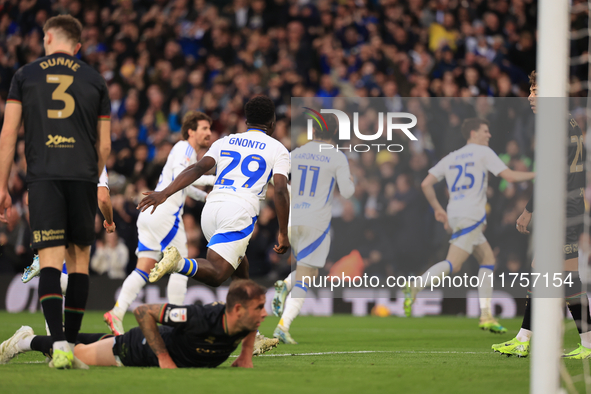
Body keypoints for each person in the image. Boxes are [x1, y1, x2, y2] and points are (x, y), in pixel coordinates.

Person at [137, 95, 289, 355]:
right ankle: (179, 263)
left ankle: (250, 338)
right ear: (272, 123)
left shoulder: (225, 141)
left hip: (212, 209)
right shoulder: (278, 149)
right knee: (219, 274)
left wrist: (164, 192)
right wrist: (283, 232)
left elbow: (197, 170)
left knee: (241, 272)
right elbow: (282, 190)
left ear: (246, 120)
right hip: (239, 211)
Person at [0, 15, 111, 369]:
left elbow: (8, 134)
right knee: (79, 264)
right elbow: (105, 146)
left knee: (50, 261)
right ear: (78, 47)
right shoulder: (95, 80)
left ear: (47, 37)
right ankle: (68, 347)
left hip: (43, 179)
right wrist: (89, 177)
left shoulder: (25, 75)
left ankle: (60, 343)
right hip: (82, 178)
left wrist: (2, 186)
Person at [492, 71, 591, 359]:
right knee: (563, 276)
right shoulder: (568, 119)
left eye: (535, 91)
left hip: (561, 208)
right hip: (571, 205)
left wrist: (527, 210)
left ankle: (525, 339)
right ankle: (583, 341)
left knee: (548, 272)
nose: (530, 97)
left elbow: (551, 174)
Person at [404, 118, 535, 332]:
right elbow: (508, 176)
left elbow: (425, 183)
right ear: (473, 133)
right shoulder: (483, 152)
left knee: (487, 258)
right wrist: (537, 174)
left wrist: (438, 208)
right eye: (485, 131)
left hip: (456, 213)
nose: (489, 135)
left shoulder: (451, 157)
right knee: (453, 264)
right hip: (471, 215)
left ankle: (486, 315)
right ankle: (414, 285)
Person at [103, 111, 215, 336]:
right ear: (191, 131)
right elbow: (181, 175)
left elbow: (185, 184)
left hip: (150, 215)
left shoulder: (183, 150)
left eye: (209, 129)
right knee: (181, 266)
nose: (209, 133)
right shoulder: (185, 148)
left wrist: (205, 196)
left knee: (143, 267)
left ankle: (116, 312)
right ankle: (176, 322)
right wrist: (216, 179)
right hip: (166, 214)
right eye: (204, 128)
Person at [0, 279, 266, 369]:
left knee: (91, 341)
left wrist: (245, 354)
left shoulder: (243, 320)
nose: (263, 315)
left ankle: (51, 334)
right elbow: (143, 311)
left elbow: (250, 326)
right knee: (70, 357)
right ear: (238, 309)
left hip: (137, 343)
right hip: (137, 350)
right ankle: (24, 341)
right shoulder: (199, 317)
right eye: (259, 308)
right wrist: (163, 357)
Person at [271, 114, 355, 344]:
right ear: (334, 132)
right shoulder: (337, 156)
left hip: (292, 221)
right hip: (315, 222)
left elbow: (275, 180)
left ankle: (285, 284)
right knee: (306, 279)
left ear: (314, 131)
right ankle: (283, 324)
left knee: (310, 272)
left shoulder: (296, 153)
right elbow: (347, 192)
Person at [21, 166, 116, 287]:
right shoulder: (95, 158)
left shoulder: (57, 151)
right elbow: (103, 199)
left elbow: (29, 199)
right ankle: (45, 262)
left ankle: (44, 256)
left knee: (62, 278)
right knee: (75, 283)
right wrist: (109, 222)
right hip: (77, 216)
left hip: (51, 213)